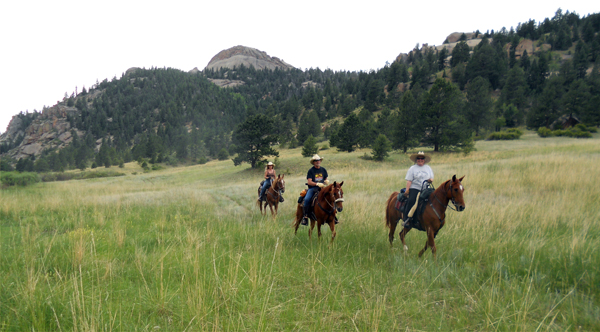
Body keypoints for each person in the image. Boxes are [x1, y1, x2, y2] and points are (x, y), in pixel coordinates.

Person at [403, 151, 434, 227]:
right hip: (415, 188)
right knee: (411, 200)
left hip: (426, 188)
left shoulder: (428, 168)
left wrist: (430, 180)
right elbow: (409, 180)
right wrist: (407, 190)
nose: (420, 160)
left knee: (434, 199)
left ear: (424, 160)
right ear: (416, 160)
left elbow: (432, 178)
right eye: (418, 159)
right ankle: (407, 219)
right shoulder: (412, 168)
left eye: (422, 158)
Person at [302, 154, 328, 225]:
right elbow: (309, 182)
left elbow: (325, 178)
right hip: (313, 188)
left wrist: (326, 181)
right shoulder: (311, 171)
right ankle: (305, 216)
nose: (317, 162)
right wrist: (316, 184)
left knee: (331, 196)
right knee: (307, 199)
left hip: (322, 188)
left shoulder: (323, 170)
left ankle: (333, 215)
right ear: (313, 162)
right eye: (316, 161)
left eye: (318, 160)